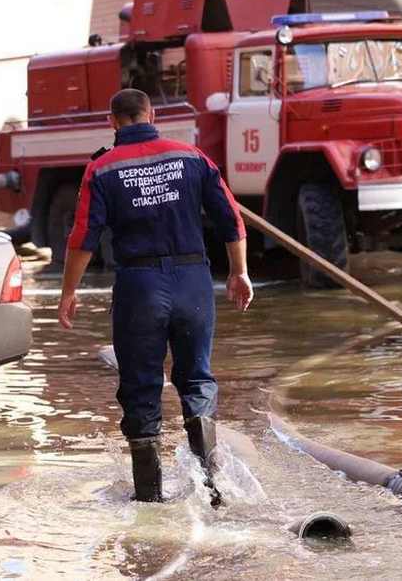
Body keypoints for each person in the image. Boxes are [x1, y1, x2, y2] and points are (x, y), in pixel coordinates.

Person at [58, 88, 253, 504]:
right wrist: (240, 272)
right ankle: (211, 489)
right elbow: (231, 219)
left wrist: (69, 291)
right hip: (193, 281)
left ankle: (149, 499)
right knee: (197, 378)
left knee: (141, 386)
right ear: (153, 114)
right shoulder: (192, 157)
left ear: (113, 121)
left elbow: (83, 237)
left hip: (139, 286)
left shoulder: (103, 168)